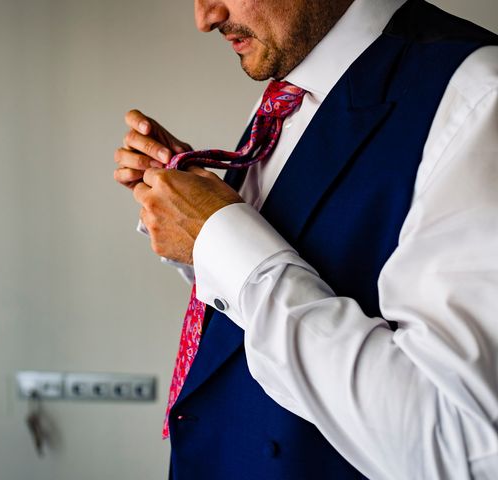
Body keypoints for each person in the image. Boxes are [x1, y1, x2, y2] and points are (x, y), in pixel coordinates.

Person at [114, 0, 498, 478]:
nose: (205, 16)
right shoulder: (292, 85)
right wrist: (193, 220)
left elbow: (461, 443)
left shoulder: (479, 96)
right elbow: (297, 273)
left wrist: (222, 237)